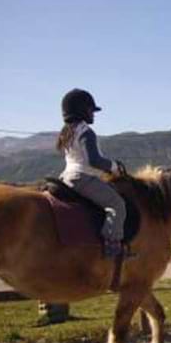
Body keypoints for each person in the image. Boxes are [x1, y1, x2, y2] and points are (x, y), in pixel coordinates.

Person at [56, 88, 127, 257]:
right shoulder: (86, 132)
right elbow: (94, 160)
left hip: (65, 177)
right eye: (90, 110)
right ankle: (112, 247)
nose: (93, 114)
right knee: (117, 205)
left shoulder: (67, 132)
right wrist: (115, 167)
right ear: (81, 110)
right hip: (83, 177)